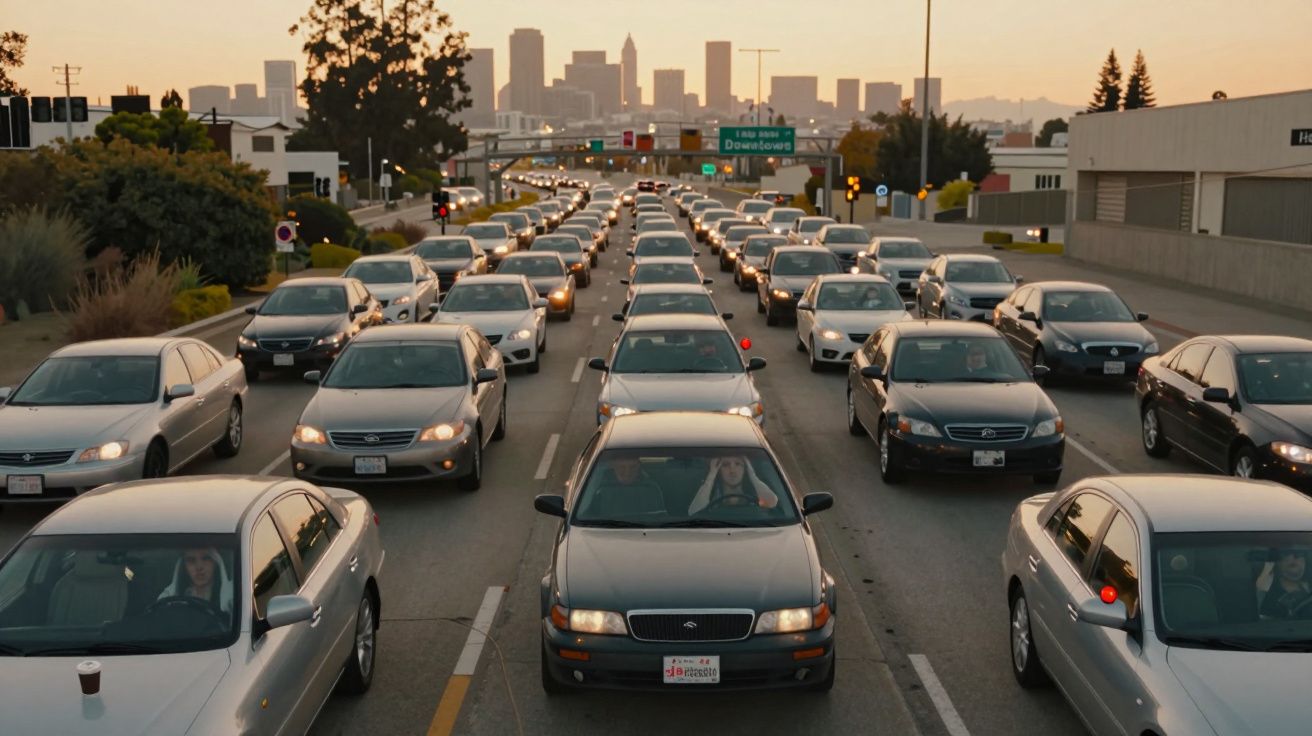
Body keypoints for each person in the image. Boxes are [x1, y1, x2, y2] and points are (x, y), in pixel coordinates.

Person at [687, 456, 779, 514]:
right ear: (718, 470)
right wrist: (711, 476)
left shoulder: (756, 499)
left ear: (746, 469)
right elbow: (694, 513)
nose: (732, 470)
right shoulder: (710, 501)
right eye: (725, 465)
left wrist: (753, 476)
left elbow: (772, 503)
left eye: (738, 464)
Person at [158, 547, 233, 614]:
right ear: (184, 566)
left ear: (216, 562)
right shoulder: (168, 597)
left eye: (206, 558)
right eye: (191, 560)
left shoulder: (231, 595)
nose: (199, 567)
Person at [1260, 548, 1312, 619]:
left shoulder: (1308, 590)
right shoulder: (1267, 598)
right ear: (1276, 563)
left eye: (1299, 554)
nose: (1292, 557)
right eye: (1285, 554)